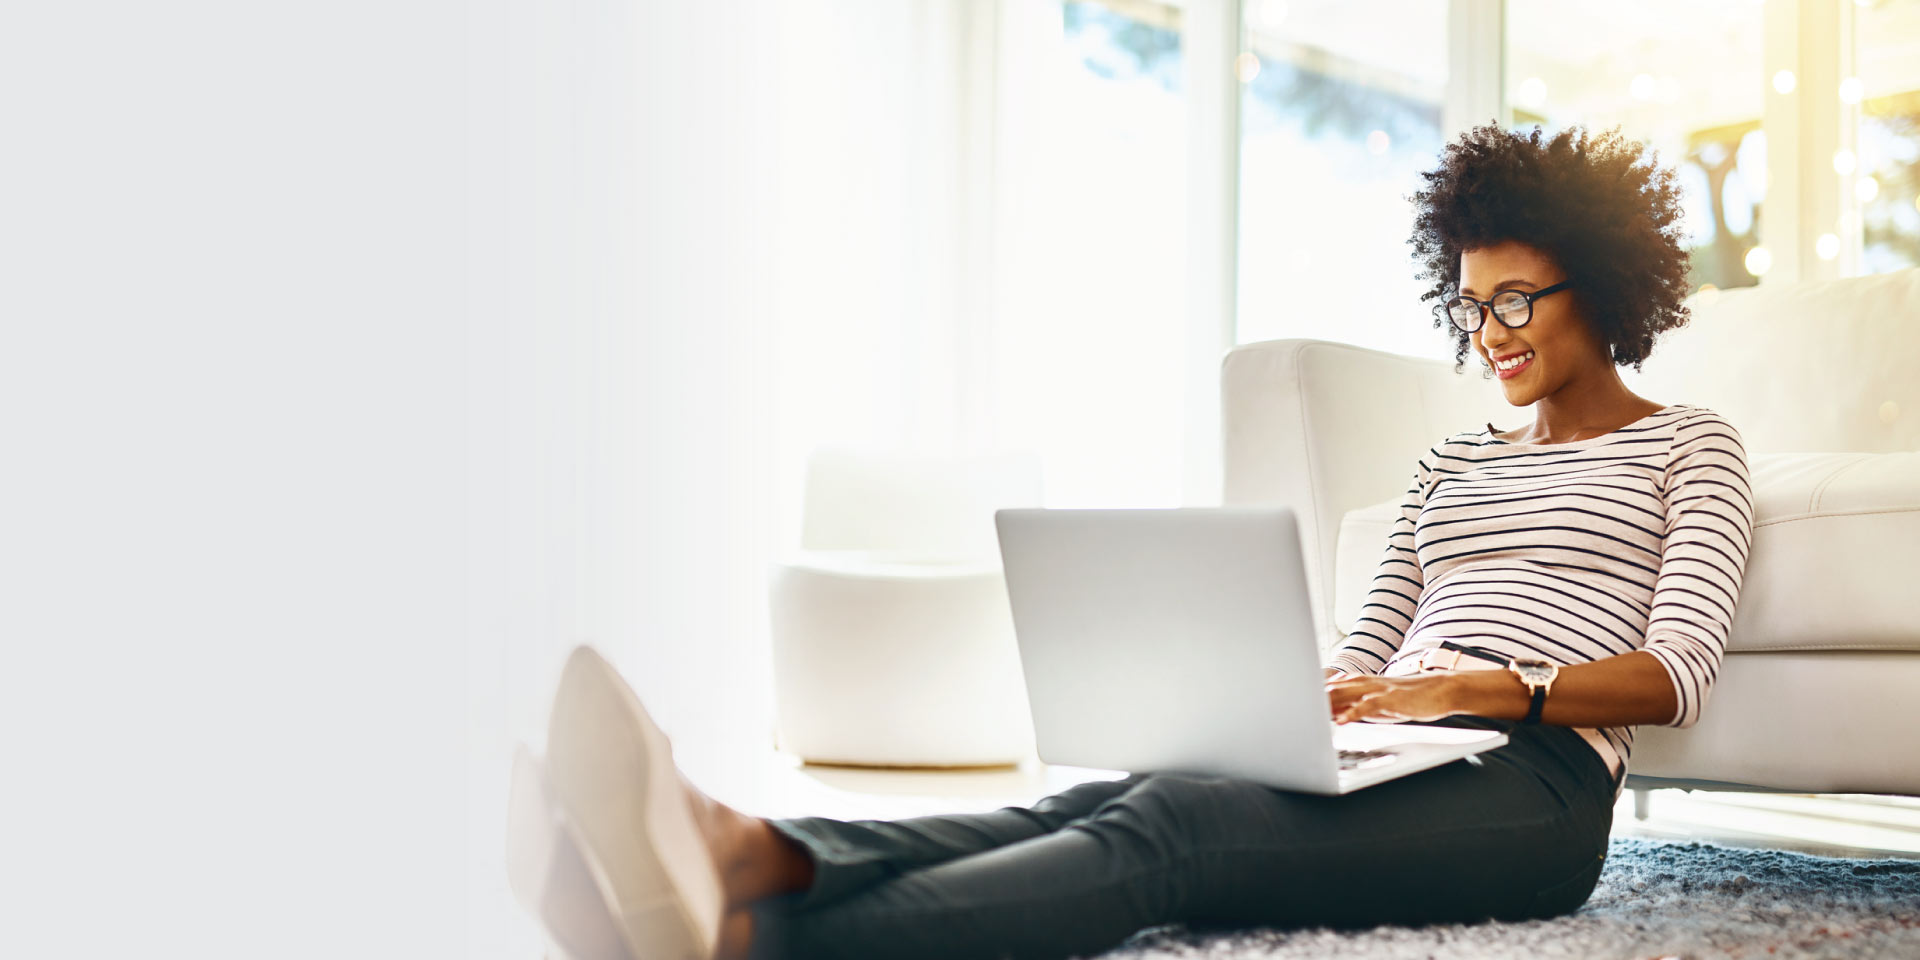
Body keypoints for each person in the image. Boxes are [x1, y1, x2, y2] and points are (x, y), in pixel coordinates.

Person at [505, 122, 1755, 960]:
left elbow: (1675, 677)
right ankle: (749, 849)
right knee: (1126, 793)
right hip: (1388, 748)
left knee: (1180, 841)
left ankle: (749, 938)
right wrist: (1291, 694)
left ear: (1600, 282)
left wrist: (1495, 687)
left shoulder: (1692, 446)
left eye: (1518, 299)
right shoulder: (1449, 466)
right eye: (1472, 304)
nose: (1490, 331)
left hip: (1535, 792)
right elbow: (1368, 646)